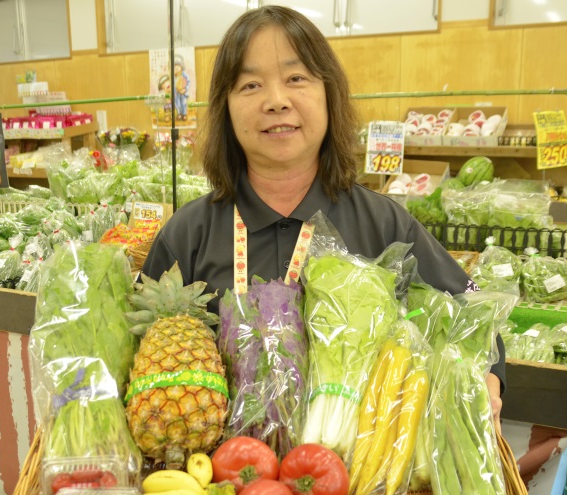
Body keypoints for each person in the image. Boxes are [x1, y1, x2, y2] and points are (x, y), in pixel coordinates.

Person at [141, 6, 505, 419]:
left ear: (329, 95)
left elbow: (472, 314)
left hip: (355, 472)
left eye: (296, 79)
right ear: (226, 108)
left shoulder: (384, 224)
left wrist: (489, 378)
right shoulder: (187, 235)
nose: (276, 101)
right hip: (212, 475)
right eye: (250, 84)